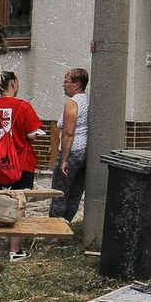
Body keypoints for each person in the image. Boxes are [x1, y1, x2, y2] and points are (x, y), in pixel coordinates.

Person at [0, 70, 45, 261]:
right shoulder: (23, 106)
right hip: (21, 164)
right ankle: (14, 251)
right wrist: (35, 134)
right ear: (14, 83)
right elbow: (32, 133)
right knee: (19, 204)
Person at [49, 67, 90, 224]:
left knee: (60, 191)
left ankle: (54, 229)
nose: (63, 85)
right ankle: (66, 225)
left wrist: (64, 159)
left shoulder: (72, 103)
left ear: (76, 85)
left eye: (66, 82)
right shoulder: (88, 100)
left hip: (72, 152)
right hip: (84, 151)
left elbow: (68, 133)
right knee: (75, 192)